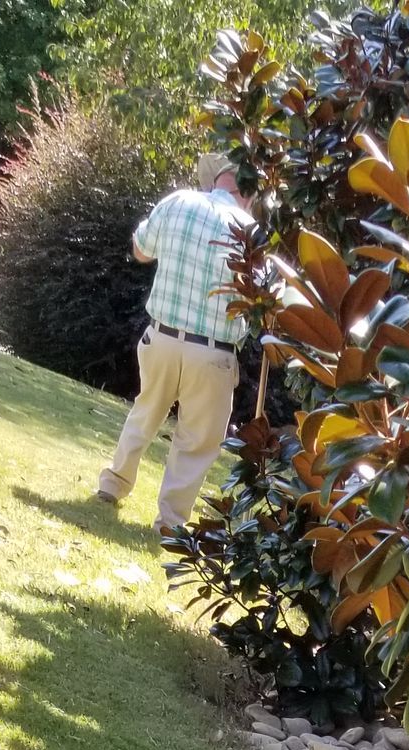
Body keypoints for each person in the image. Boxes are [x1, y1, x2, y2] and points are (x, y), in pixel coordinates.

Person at [96, 154, 253, 531]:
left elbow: (140, 249)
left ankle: (113, 484)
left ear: (216, 180)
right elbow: (263, 296)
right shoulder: (250, 230)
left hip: (162, 336)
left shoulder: (179, 201)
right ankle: (168, 522)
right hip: (214, 352)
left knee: (145, 410)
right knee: (196, 442)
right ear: (247, 193)